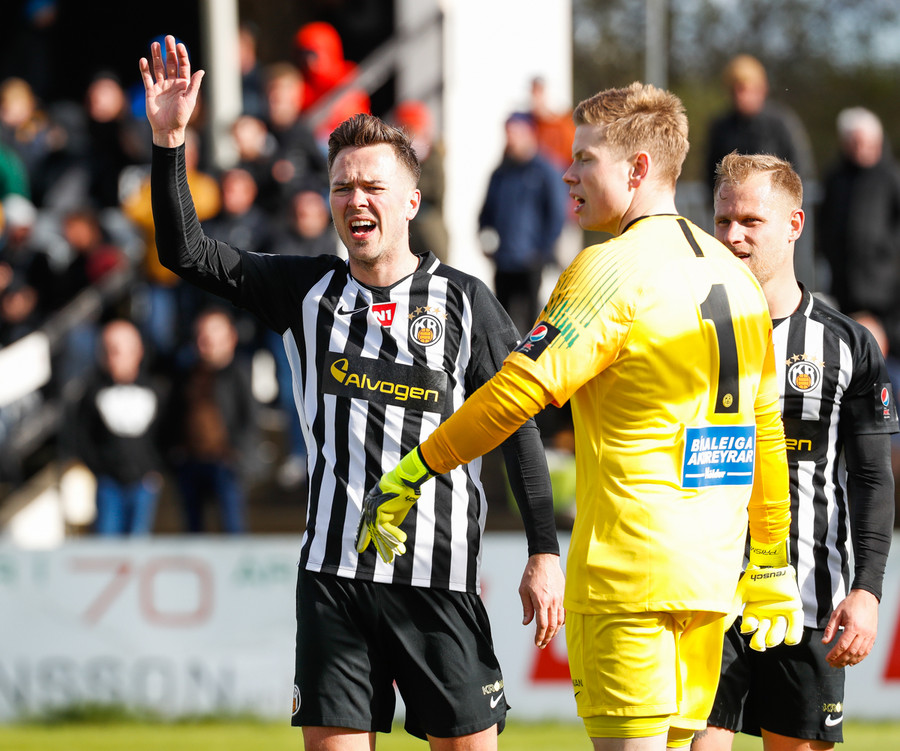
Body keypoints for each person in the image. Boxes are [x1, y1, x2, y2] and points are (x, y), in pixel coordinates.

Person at [140, 35, 565, 750]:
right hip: (333, 579)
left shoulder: (467, 303)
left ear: (410, 201)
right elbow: (185, 252)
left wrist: (544, 550)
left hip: (438, 578)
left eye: (372, 186)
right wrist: (169, 142)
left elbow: (517, 424)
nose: (355, 199)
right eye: (342, 187)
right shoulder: (305, 290)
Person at [359, 82, 804, 751]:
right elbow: (765, 431)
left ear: (638, 168)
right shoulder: (737, 275)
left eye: (585, 158)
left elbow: (514, 395)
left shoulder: (610, 269)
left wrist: (414, 469)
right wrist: (769, 560)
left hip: (629, 576)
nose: (567, 172)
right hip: (711, 580)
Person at [691, 153, 898, 751]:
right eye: (723, 219)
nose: (733, 235)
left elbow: (872, 478)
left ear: (794, 225)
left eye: (751, 221)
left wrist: (867, 590)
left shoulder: (848, 345)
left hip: (811, 598)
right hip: (707, 595)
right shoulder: (686, 331)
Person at [162, 306, 258, 534]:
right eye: (201, 337)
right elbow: (172, 415)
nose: (205, 343)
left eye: (212, 337)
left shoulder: (239, 372)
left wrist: (236, 455)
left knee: (233, 529)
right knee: (193, 531)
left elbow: (250, 418)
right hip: (190, 463)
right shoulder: (185, 374)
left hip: (225, 464)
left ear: (230, 339)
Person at [816, 107, 900, 353]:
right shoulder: (835, 178)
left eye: (865, 142)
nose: (861, 149)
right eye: (854, 142)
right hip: (844, 282)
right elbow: (825, 220)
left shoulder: (891, 176)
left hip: (885, 286)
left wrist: (887, 249)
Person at [70, 318, 164, 535]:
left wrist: (154, 468)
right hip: (108, 483)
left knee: (138, 542)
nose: (113, 357)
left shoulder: (156, 390)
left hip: (144, 483)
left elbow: (164, 434)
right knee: (106, 542)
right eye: (107, 350)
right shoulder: (91, 392)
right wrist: (99, 469)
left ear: (138, 351)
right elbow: (81, 435)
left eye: (119, 350)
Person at [478, 111, 568, 335]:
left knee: (531, 320)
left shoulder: (545, 171)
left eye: (515, 133)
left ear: (529, 134)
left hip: (531, 262)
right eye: (508, 134)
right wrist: (486, 241)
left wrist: (542, 251)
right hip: (504, 261)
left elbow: (557, 214)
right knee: (502, 322)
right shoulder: (501, 173)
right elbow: (486, 213)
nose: (511, 140)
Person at [704, 55, 814, 194]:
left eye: (744, 89)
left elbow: (800, 170)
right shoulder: (721, 128)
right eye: (734, 90)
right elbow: (711, 176)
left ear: (761, 89)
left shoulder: (781, 124)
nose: (740, 96)